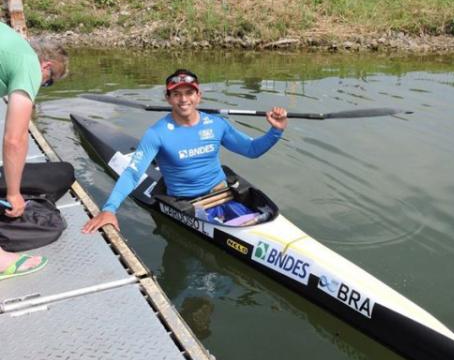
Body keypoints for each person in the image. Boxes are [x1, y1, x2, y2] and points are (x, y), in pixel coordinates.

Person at [82, 68, 288, 233]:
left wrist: (275, 131)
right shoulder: (157, 133)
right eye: (176, 94)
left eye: (189, 93)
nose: (183, 100)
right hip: (187, 205)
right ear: (168, 98)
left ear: (199, 96)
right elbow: (133, 172)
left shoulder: (217, 124)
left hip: (223, 194)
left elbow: (252, 150)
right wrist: (109, 209)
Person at [0, 22, 69, 279]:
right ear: (46, 66)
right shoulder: (28, 63)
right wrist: (15, 193)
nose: (42, 87)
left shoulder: (8, 42)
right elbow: (15, 139)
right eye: (48, 83)